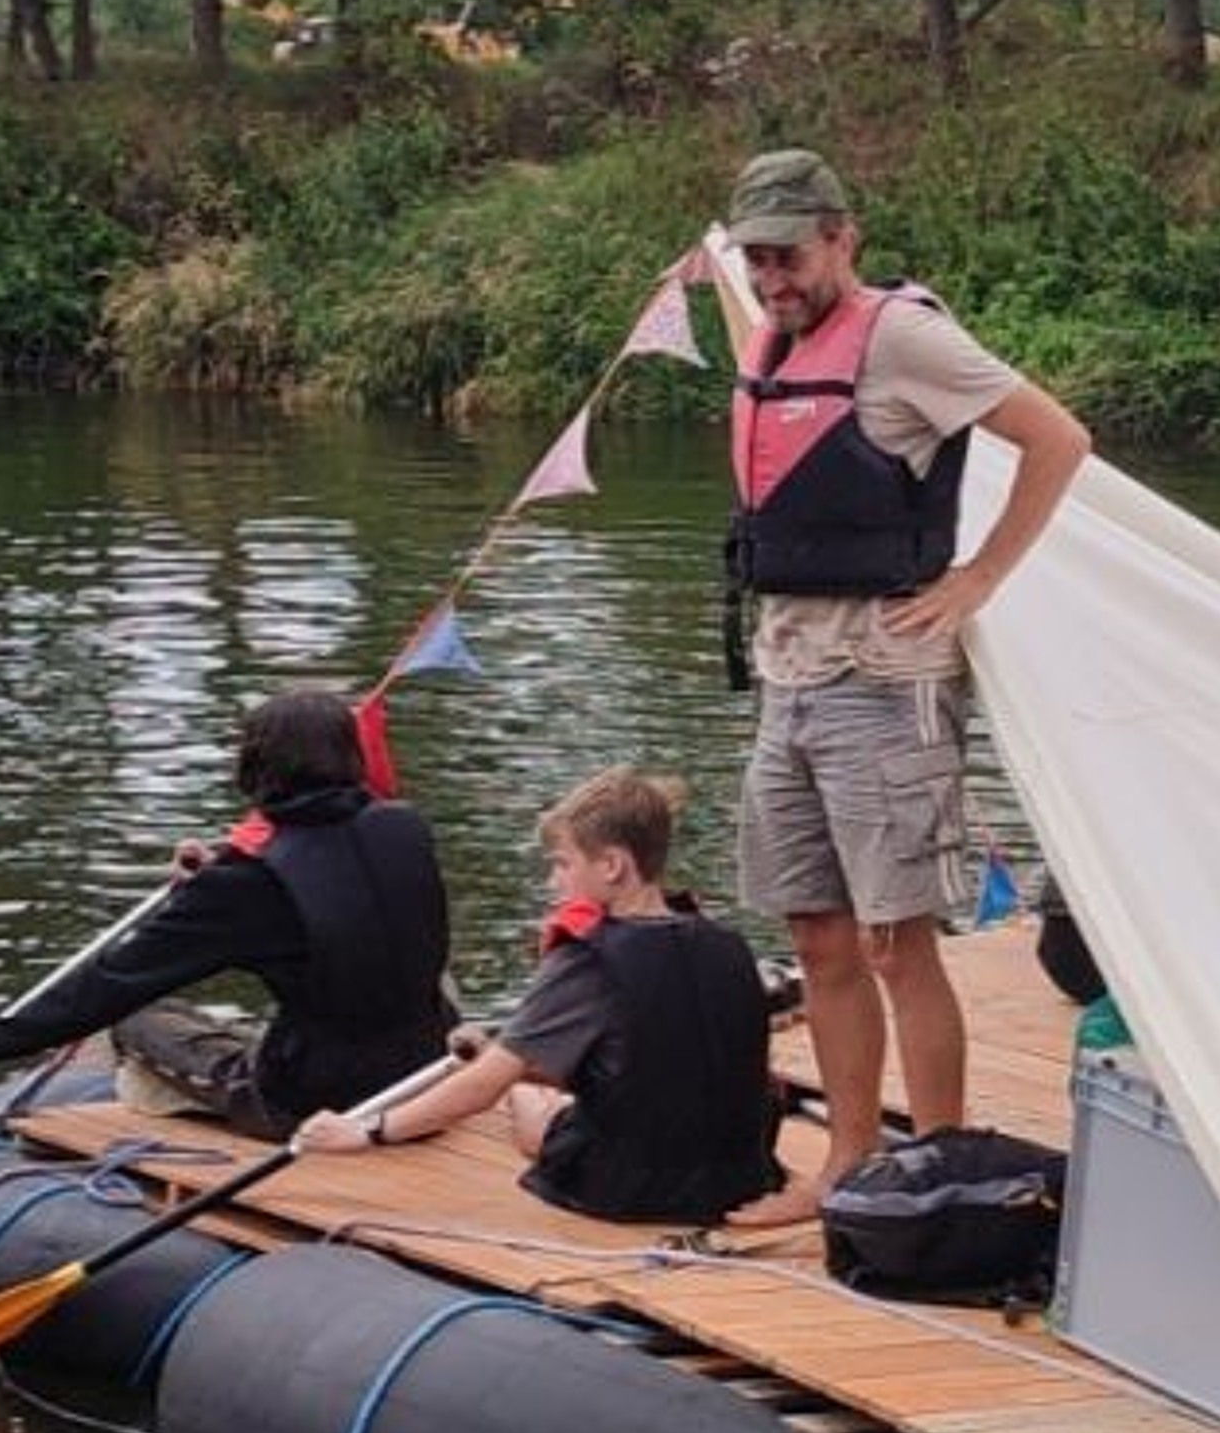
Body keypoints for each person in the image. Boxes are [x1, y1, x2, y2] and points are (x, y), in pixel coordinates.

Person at [715, 145, 1092, 1229]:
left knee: (897, 941)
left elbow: (1057, 438)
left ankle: (933, 1177)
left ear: (843, 237)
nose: (773, 280)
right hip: (789, 677)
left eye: (789, 255)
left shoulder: (906, 337)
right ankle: (846, 1164)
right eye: (756, 262)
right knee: (819, 940)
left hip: (887, 683)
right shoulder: (772, 338)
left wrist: (979, 578)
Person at [0, 686, 451, 1137]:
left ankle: (194, 1107)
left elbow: (117, 979)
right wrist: (212, 878)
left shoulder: (248, 881)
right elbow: (342, 887)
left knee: (133, 1019)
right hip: (430, 1067)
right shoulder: (405, 828)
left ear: (255, 765)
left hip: (321, 1096)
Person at [297, 769, 781, 1226]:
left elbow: (483, 1087)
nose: (555, 883)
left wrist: (369, 1130)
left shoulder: (588, 962)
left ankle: (526, 1086)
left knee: (526, 1096)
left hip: (629, 1188)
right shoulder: (728, 945)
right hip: (738, 1179)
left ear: (612, 864)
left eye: (563, 864)